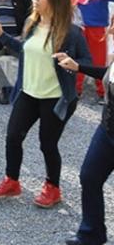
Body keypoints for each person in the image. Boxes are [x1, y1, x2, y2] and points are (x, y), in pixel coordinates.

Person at [0, 0, 91, 208]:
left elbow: (86, 62)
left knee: (48, 144)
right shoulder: (31, 23)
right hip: (28, 92)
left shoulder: (71, 33)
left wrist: (73, 64)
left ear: (54, 1)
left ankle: (53, 188)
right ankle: (12, 181)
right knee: (13, 136)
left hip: (55, 97)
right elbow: (23, 49)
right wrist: (2, 35)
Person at [56, 52, 114, 245]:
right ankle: (91, 235)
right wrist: (78, 67)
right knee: (89, 177)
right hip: (107, 130)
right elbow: (109, 74)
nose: (111, 30)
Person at [73, 0, 114, 102]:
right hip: (80, 28)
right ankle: (76, 89)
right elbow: (68, 0)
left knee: (99, 60)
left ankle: (103, 91)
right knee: (79, 58)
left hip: (98, 29)